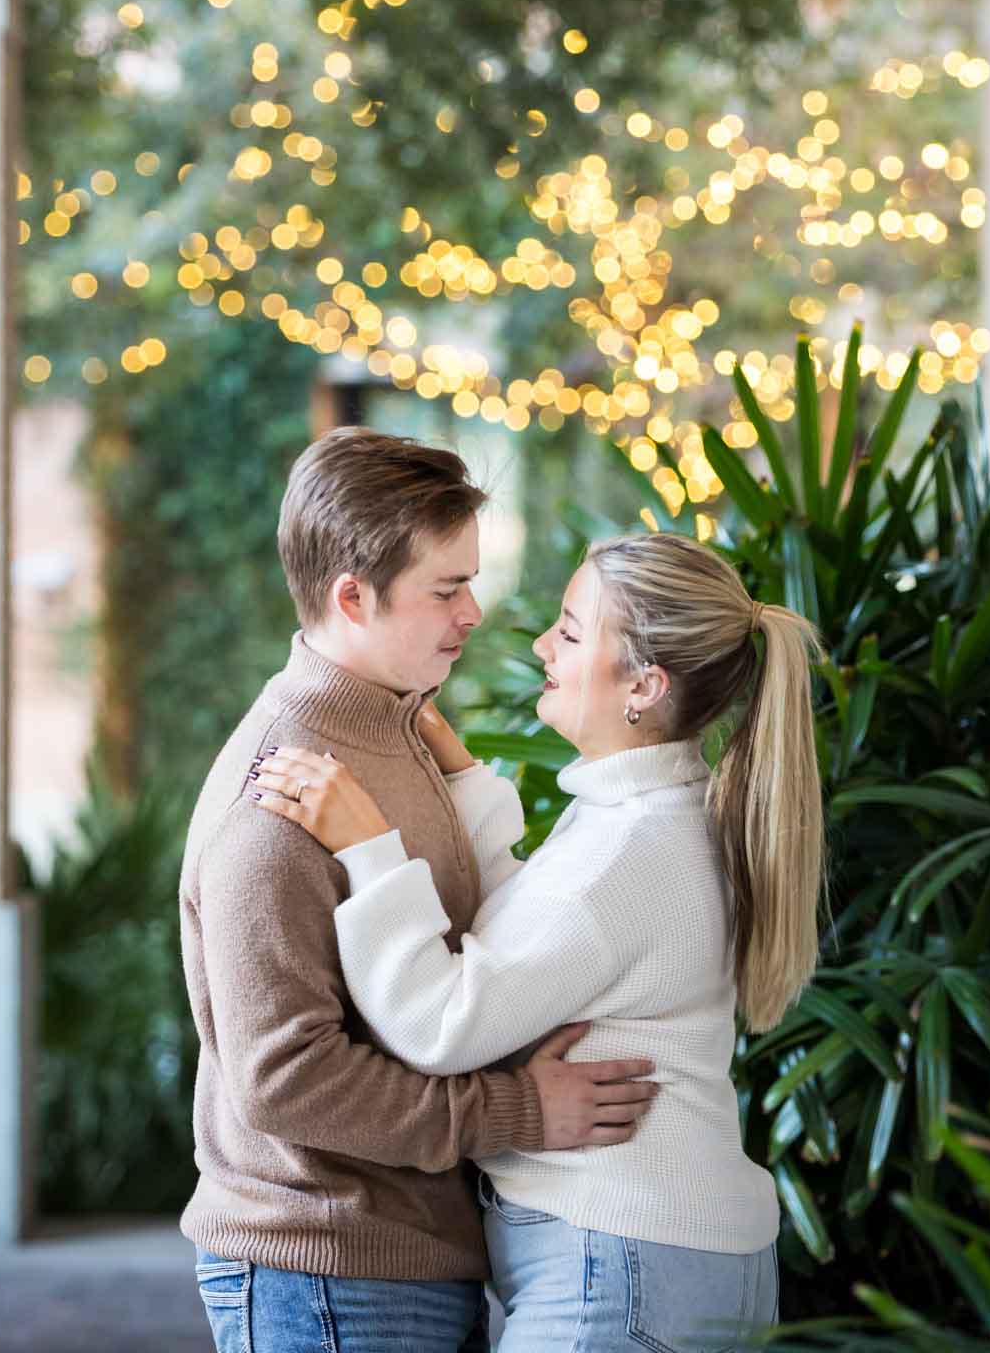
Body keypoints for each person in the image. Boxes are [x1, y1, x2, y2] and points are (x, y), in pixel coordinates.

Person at [252, 529, 826, 1352]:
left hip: (618, 1268)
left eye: (569, 629)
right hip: (669, 1256)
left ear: (643, 684)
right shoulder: (660, 820)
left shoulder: (622, 855)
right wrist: (467, 786)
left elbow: (438, 1024)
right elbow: (544, 939)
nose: (539, 644)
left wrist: (366, 849)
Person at [180, 428, 662, 1353]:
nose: (474, 611)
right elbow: (284, 1080)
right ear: (352, 596)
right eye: (446, 589)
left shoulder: (395, 733)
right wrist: (518, 1110)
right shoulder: (280, 798)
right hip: (323, 1271)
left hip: (404, 1260)